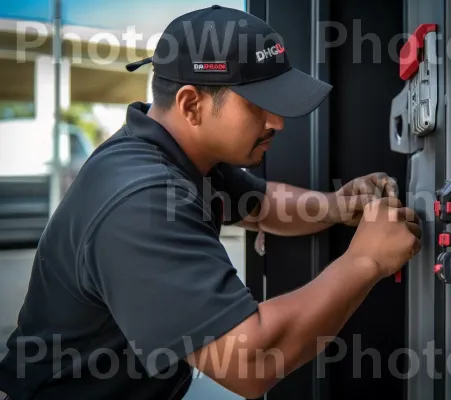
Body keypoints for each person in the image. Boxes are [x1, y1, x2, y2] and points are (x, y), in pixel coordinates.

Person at [0, 5, 421, 400]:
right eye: (258, 104)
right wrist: (366, 259)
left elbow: (263, 203)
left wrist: (334, 205)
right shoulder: (143, 199)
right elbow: (248, 362)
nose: (277, 121)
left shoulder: (179, 153)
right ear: (191, 104)